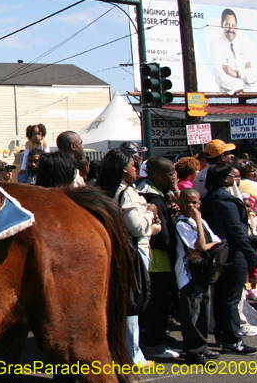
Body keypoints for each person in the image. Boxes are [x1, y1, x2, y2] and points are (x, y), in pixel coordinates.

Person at [96, 148, 160, 367]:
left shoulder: (101, 190)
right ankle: (132, 354)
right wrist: (150, 214)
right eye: (134, 165)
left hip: (113, 250)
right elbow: (137, 227)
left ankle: (117, 350)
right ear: (124, 168)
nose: (137, 169)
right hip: (132, 253)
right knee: (131, 303)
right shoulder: (126, 193)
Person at [200, 163, 257, 355]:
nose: (236, 178)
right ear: (223, 179)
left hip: (220, 252)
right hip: (233, 253)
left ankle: (223, 334)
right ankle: (232, 338)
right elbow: (237, 230)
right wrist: (252, 256)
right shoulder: (224, 200)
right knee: (230, 298)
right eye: (232, 175)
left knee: (221, 297)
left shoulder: (209, 198)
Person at [136, 158, 180, 360]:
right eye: (171, 174)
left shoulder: (158, 193)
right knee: (156, 305)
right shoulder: (152, 196)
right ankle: (154, 343)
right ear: (160, 175)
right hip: (156, 260)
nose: (175, 177)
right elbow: (160, 234)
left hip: (158, 259)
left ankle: (159, 336)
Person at [174, 189, 222, 364]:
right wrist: (203, 241)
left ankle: (202, 347)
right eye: (187, 202)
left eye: (194, 202)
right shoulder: (182, 223)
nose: (191, 206)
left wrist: (205, 245)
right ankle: (194, 351)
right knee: (192, 313)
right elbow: (201, 246)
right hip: (189, 275)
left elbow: (216, 241)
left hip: (204, 273)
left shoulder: (199, 221)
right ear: (180, 203)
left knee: (203, 311)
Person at [209, 8, 257, 94]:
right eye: (227, 25)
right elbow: (221, 79)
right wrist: (246, 83)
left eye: (234, 26)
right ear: (221, 25)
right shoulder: (215, 45)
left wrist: (237, 74)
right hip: (225, 99)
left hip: (248, 98)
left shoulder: (244, 47)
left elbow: (256, 75)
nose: (231, 29)